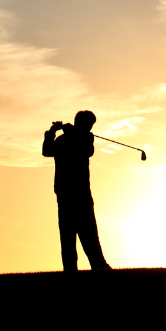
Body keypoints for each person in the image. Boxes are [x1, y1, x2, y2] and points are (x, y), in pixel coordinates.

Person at [42, 110, 111, 272]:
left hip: (81, 195)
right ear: (80, 122)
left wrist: (71, 132)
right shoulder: (63, 139)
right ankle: (70, 270)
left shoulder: (86, 137)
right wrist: (51, 133)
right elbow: (46, 151)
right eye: (88, 124)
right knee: (67, 238)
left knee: (89, 236)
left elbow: (87, 151)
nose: (89, 128)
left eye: (91, 125)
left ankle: (99, 266)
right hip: (66, 194)